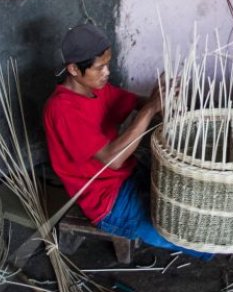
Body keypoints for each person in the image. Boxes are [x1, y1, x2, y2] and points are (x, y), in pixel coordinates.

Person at [42, 23, 210, 259]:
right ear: (73, 69)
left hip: (129, 177)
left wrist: (164, 100)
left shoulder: (96, 89)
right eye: (99, 67)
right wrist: (152, 108)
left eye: (108, 64)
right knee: (184, 233)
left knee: (191, 203)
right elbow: (114, 159)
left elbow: (135, 102)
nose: (107, 72)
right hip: (107, 202)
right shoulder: (62, 110)